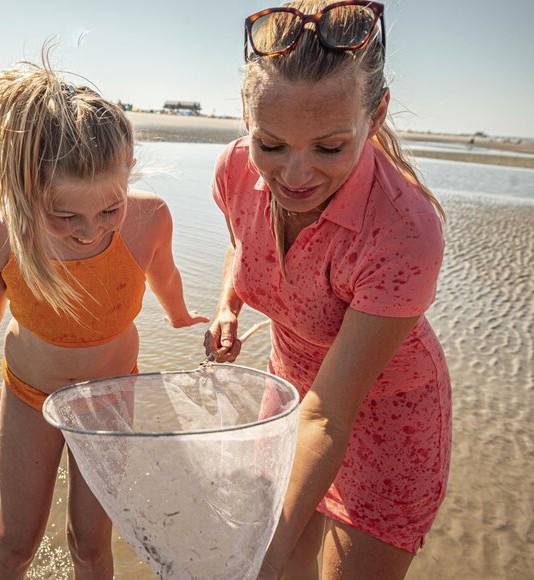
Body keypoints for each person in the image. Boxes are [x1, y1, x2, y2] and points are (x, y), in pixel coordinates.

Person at [0, 53, 207, 579]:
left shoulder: (149, 218)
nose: (91, 231)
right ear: (26, 192)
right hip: (29, 395)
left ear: (128, 178)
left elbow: (164, 276)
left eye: (110, 209)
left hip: (109, 398)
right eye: (66, 216)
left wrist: (178, 315)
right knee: (16, 541)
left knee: (89, 542)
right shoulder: (1, 235)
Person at [204, 2, 451, 579]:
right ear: (246, 114)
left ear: (378, 114)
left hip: (387, 419)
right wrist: (227, 305)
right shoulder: (234, 171)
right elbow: (244, 243)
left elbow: (331, 414)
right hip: (289, 392)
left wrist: (262, 548)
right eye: (270, 145)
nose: (293, 176)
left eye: (329, 148)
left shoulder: (404, 229)